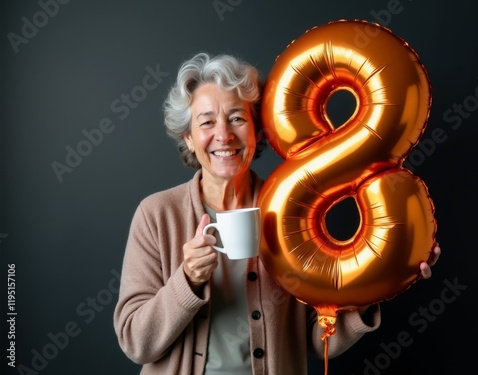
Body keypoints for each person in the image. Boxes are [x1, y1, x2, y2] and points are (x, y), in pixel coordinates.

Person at [113, 52, 441, 375]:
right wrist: (187, 280)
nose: (224, 134)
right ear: (189, 137)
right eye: (207, 121)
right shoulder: (156, 215)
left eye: (237, 118)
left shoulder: (294, 212)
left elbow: (315, 338)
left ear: (257, 131)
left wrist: (380, 279)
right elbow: (136, 342)